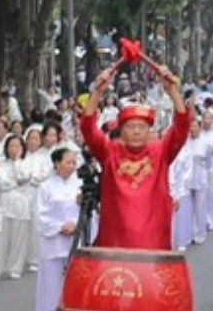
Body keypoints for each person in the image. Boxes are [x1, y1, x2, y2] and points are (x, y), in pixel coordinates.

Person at [78, 57, 195, 252]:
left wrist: (172, 90)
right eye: (131, 126)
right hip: (115, 243)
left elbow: (182, 126)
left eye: (142, 127)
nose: (137, 131)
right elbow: (88, 126)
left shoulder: (161, 151)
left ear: (150, 130)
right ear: (121, 130)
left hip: (153, 241)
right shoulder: (109, 152)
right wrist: (98, 90)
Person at [28, 145, 82, 311]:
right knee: (49, 280)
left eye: (73, 162)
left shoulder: (80, 185)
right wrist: (60, 227)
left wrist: (77, 225)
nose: (71, 166)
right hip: (54, 238)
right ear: (57, 164)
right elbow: (41, 214)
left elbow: (90, 211)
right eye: (68, 162)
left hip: (76, 236)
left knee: (74, 280)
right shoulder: (46, 187)